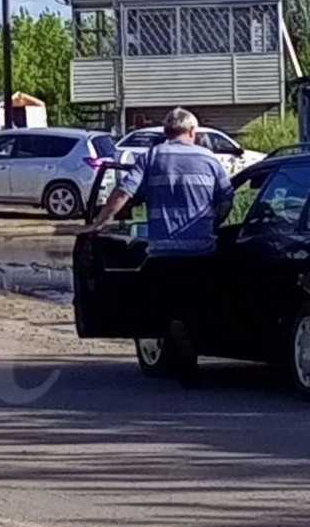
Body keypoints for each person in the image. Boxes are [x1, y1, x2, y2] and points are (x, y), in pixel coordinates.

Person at [84, 107, 233, 385]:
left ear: (165, 133)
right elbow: (226, 199)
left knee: (164, 308)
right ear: (193, 132)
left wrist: (99, 222)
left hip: (162, 253)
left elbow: (123, 193)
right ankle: (193, 354)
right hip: (201, 251)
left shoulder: (151, 156)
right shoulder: (210, 159)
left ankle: (176, 354)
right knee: (196, 307)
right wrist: (212, 223)